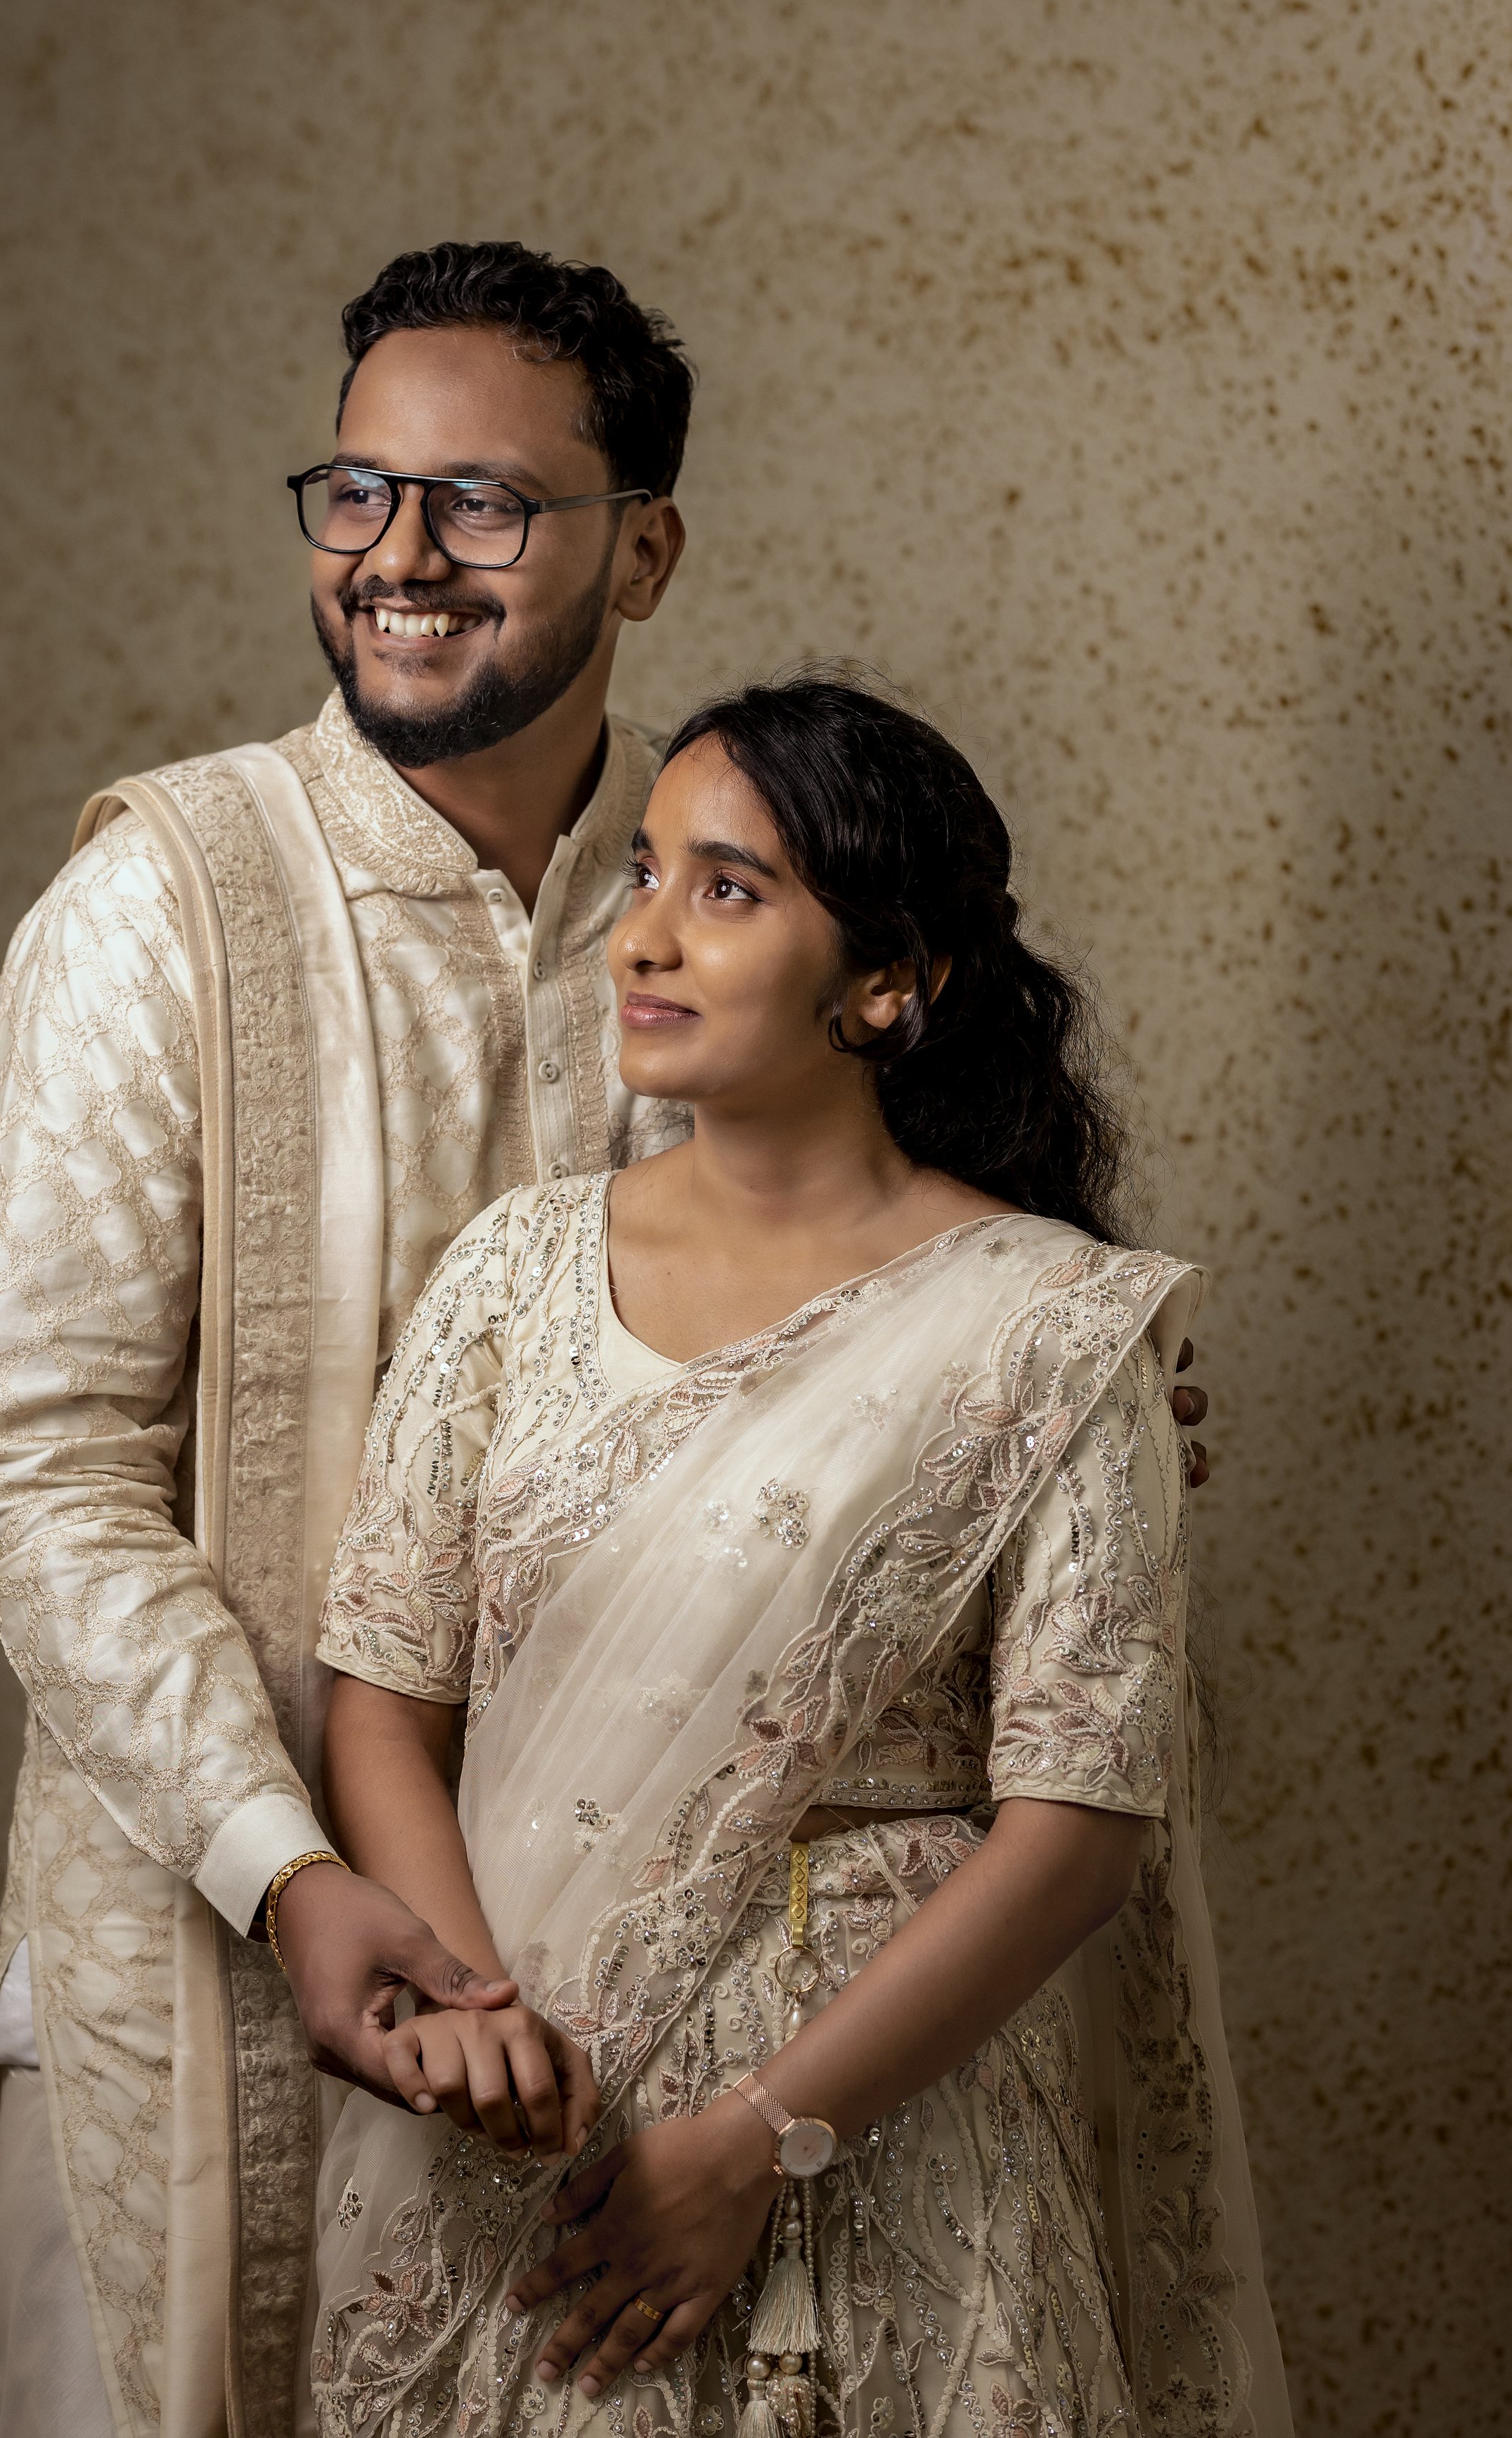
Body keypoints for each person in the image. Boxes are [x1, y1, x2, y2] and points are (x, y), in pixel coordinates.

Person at [0, 243, 1210, 2438]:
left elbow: (885, 1318)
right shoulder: (161, 910)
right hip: (213, 1906)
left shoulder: (713, 897)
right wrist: (298, 1868)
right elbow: (35, 1478)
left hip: (661, 2006)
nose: (399, 560)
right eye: (353, 495)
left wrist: (1024, 1403)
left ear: (644, 546)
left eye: (482, 505)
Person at [309, 671, 1286, 2437]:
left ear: (888, 980)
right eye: (646, 876)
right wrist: (474, 2028)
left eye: (728, 890)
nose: (643, 940)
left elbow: (1078, 1824)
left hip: (894, 2131)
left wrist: (763, 2140)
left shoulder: (1045, 1325)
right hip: (524, 2110)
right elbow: (381, 1694)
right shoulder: (511, 1275)